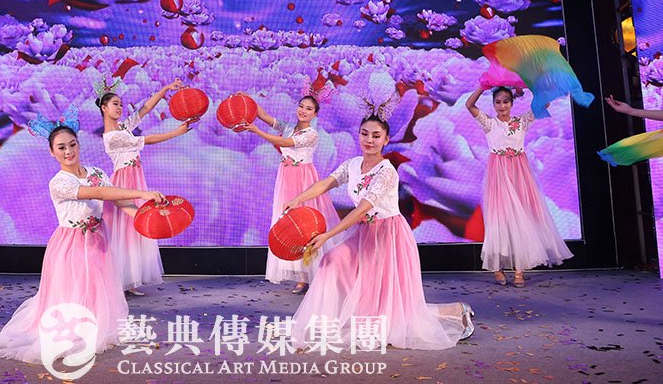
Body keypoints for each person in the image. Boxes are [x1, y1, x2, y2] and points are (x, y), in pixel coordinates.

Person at [0, 110, 165, 366]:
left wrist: (143, 218)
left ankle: (96, 324)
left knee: (97, 287)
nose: (68, 151)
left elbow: (118, 200)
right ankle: (75, 329)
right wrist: (143, 193)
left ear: (79, 144)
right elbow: (99, 193)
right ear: (52, 152)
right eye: (61, 147)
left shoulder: (96, 172)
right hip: (71, 243)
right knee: (75, 288)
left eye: (72, 144)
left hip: (99, 240)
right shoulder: (59, 182)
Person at [289, 114, 474, 350]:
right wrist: (297, 199)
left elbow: (363, 209)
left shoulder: (387, 172)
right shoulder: (353, 165)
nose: (369, 140)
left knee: (396, 310)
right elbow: (325, 184)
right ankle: (328, 322)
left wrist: (327, 235)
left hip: (389, 236)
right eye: (365, 134)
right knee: (331, 261)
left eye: (376, 136)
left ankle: (457, 310)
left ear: (386, 140)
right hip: (364, 233)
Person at [464, 85, 572, 287]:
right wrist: (482, 87)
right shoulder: (489, 123)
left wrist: (530, 85)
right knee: (499, 220)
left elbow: (544, 104)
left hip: (520, 174)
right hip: (498, 175)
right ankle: (497, 268)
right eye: (498, 102)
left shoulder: (522, 121)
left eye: (506, 101)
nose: (502, 105)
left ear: (512, 103)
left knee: (522, 218)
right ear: (493, 104)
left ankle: (519, 271)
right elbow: (469, 105)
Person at [98, 78, 190, 295]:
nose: (120, 108)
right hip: (124, 181)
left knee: (134, 229)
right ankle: (119, 280)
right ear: (104, 108)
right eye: (115, 104)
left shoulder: (122, 128)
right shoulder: (112, 137)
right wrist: (176, 133)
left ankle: (130, 279)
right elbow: (148, 140)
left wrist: (165, 88)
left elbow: (144, 109)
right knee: (125, 229)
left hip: (135, 178)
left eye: (121, 104)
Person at [243, 94, 339, 294]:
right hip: (286, 178)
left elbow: (284, 142)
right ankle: (302, 275)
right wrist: (246, 101)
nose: (303, 111)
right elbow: (265, 116)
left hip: (304, 180)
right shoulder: (288, 126)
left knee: (306, 224)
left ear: (315, 114)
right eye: (301, 106)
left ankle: (315, 273)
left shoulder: (311, 134)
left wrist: (257, 131)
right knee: (288, 223)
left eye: (309, 109)